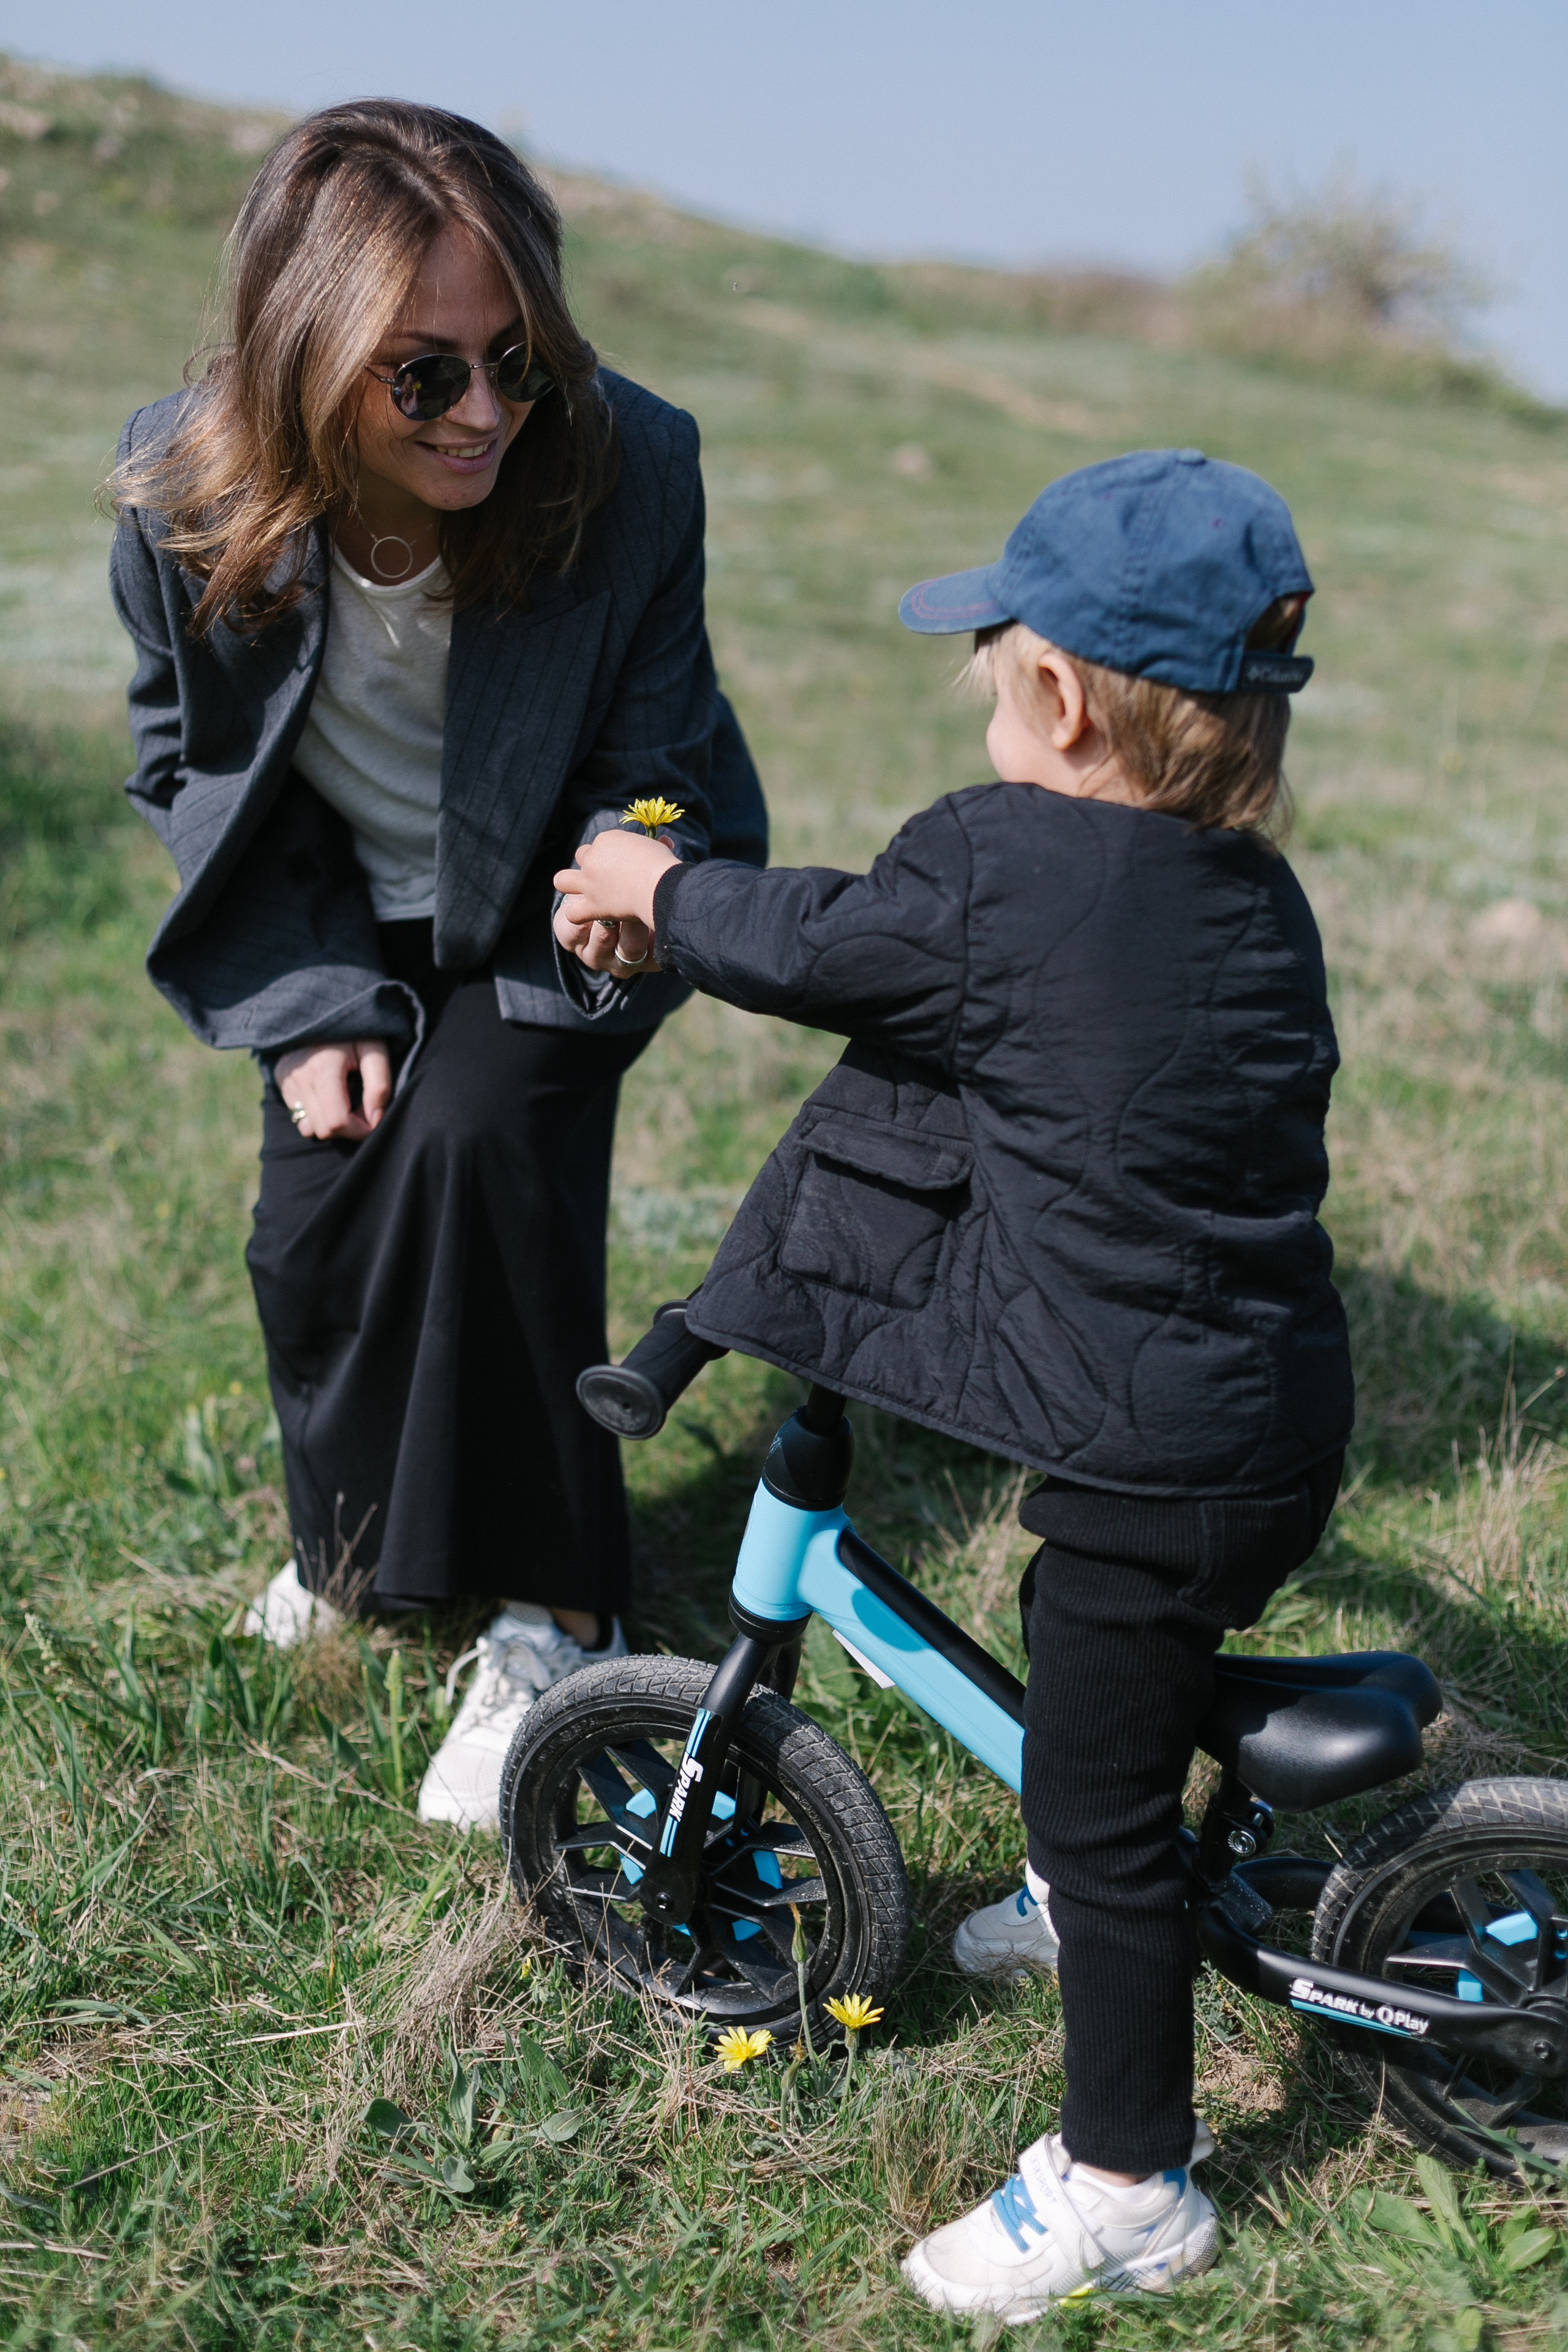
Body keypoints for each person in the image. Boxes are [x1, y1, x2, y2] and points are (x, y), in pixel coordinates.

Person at [552, 450, 1354, 2317]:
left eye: (995, 680)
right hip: (1273, 1426)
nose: (991, 715)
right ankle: (1094, 1893)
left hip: (1147, 1459)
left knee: (1098, 1805)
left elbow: (817, 943)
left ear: (1060, 698)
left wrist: (657, 883)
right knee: (1101, 1680)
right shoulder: (1257, 898)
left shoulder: (1004, 867)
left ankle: (1130, 2188)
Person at [108, 100, 766, 1834]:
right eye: (424, 377)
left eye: (516, 361)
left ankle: (557, 1614)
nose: (485, 413)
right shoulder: (183, 495)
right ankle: (355, 1559)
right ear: (306, 357)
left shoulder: (629, 468)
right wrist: (310, 998)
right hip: (341, 911)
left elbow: (663, 754)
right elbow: (187, 761)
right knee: (313, 1220)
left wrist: (632, 887)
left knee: (485, 1149)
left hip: (575, 895)